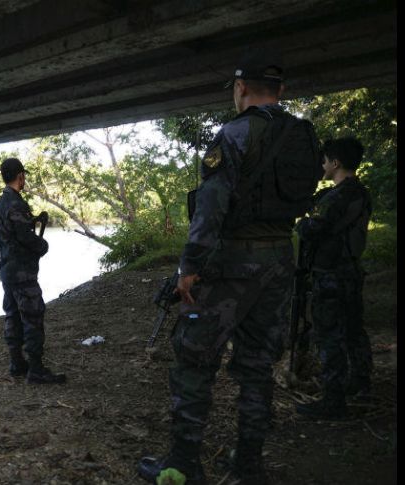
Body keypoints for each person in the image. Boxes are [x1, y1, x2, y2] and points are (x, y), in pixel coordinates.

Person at [138, 49, 322, 485]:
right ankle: (248, 464)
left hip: (232, 263)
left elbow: (211, 207)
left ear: (241, 89)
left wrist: (189, 267)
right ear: (281, 90)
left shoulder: (236, 134)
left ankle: (182, 466)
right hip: (280, 257)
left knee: (194, 360)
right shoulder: (305, 136)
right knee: (257, 365)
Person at [294, 137, 373, 420]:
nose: (323, 165)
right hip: (350, 271)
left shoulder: (337, 197)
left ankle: (333, 400)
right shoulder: (359, 193)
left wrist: (302, 223)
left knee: (329, 335)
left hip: (331, 275)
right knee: (353, 329)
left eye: (325, 160)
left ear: (335, 162)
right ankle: (361, 382)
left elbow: (313, 228)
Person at [0, 157, 66, 385]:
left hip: (7, 270)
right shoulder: (16, 204)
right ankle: (35, 369)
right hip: (22, 272)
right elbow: (24, 236)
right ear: (20, 176)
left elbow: (13, 233)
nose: (24, 179)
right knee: (32, 316)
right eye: (23, 175)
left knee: (13, 314)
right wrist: (42, 246)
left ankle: (17, 363)